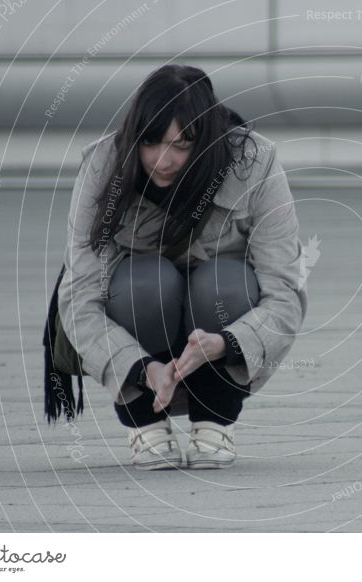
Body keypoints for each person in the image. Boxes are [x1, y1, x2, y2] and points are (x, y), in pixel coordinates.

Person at [54, 63, 307, 470]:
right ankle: (145, 423)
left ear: (205, 139)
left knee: (223, 285)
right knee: (144, 284)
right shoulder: (103, 167)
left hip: (219, 312)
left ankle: (214, 421)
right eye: (151, 142)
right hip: (142, 311)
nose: (163, 160)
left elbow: (285, 293)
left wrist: (226, 342)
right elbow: (80, 295)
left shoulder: (255, 162)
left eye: (182, 144)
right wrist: (139, 367)